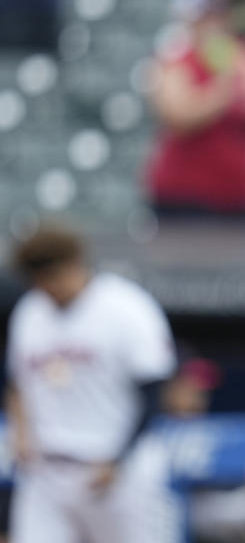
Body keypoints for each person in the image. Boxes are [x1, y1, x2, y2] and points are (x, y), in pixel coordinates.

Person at [4, 225, 179, 543]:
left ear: (74, 263)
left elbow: (153, 391)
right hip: (46, 473)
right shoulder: (29, 313)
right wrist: (20, 431)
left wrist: (118, 458)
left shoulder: (126, 307)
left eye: (52, 277)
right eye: (38, 281)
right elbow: (15, 382)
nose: (47, 288)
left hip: (117, 472)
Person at [145, 0, 245, 218]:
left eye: (218, 15)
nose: (214, 24)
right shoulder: (177, 56)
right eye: (206, 17)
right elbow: (178, 116)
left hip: (236, 195)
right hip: (181, 196)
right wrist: (225, 88)